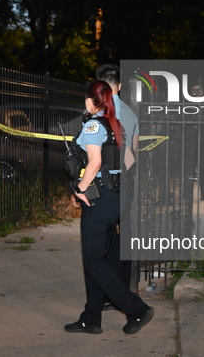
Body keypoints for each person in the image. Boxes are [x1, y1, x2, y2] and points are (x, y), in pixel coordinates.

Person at [65, 80, 153, 335]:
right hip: (116, 196)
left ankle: (136, 309)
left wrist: (80, 190)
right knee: (99, 257)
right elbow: (130, 158)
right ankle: (91, 318)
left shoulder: (93, 125)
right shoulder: (116, 124)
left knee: (93, 260)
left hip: (99, 199)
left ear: (90, 101)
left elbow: (93, 164)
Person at [95, 64, 139, 307]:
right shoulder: (130, 113)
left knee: (102, 240)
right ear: (119, 86)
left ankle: (106, 293)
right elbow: (134, 149)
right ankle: (121, 290)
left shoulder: (99, 113)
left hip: (103, 182)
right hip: (125, 179)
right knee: (123, 237)